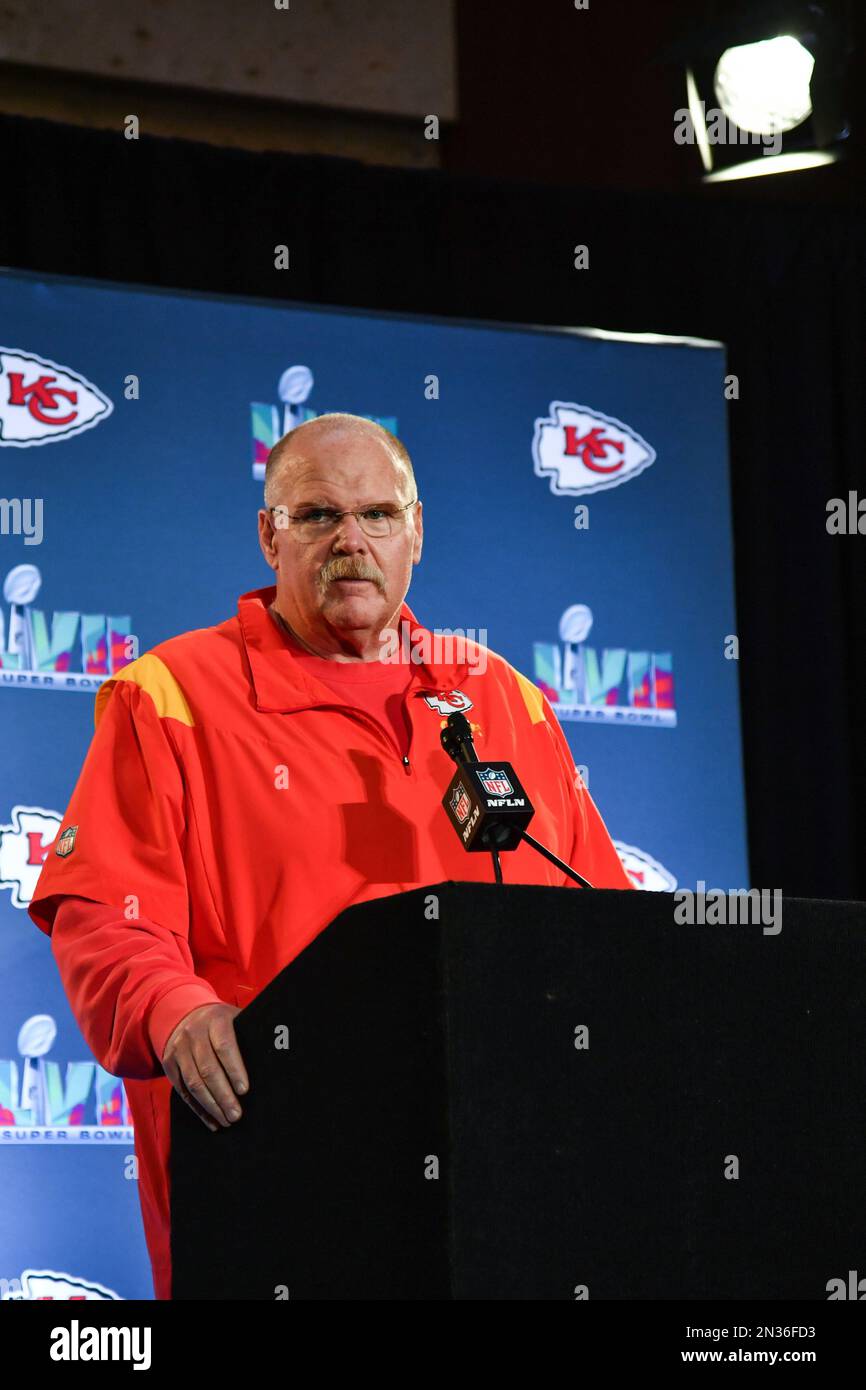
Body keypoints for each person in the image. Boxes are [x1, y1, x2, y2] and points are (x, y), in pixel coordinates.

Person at [28, 412, 632, 1299]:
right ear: (269, 535)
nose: (351, 540)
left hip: (503, 1178)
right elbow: (104, 918)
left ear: (416, 533)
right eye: (316, 516)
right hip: (277, 1165)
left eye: (378, 515)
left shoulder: (507, 701)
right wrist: (175, 1011)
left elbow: (605, 924)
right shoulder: (170, 697)